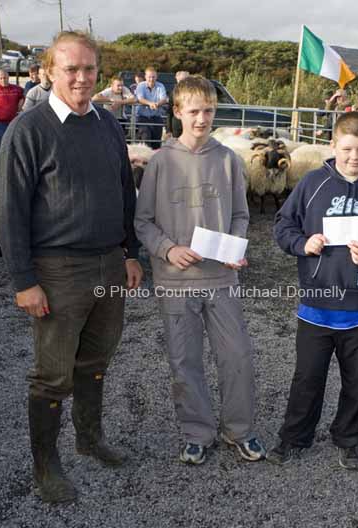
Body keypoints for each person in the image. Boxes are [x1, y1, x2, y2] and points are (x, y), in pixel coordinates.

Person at [0, 31, 143, 504]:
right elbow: (10, 211)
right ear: (49, 72)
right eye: (70, 69)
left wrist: (131, 251)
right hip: (57, 270)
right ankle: (46, 466)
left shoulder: (107, 124)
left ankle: (89, 438)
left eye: (89, 68)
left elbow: (125, 192)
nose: (81, 77)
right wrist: (24, 281)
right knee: (52, 373)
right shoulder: (29, 129)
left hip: (108, 264)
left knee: (96, 358)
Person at [267, 112, 358, 469]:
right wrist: (303, 243)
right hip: (317, 303)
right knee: (307, 377)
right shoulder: (312, 182)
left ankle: (348, 437)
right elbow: (283, 224)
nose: (354, 156)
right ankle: (295, 437)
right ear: (333, 145)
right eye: (347, 148)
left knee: (356, 380)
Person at [134, 75, 266, 466]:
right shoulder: (160, 162)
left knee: (237, 355)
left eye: (208, 111)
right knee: (184, 360)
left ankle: (239, 430)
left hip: (222, 278)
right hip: (175, 282)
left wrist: (235, 247)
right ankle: (197, 432)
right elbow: (142, 222)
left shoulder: (228, 160)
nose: (201, 119)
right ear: (177, 112)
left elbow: (241, 216)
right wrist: (167, 249)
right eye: (193, 111)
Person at [135, 67, 168, 149]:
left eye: (153, 77)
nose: (151, 79)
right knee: (145, 140)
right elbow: (140, 99)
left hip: (156, 117)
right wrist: (150, 103)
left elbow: (164, 99)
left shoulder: (160, 86)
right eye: (149, 77)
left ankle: (155, 161)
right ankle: (146, 161)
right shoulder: (140, 86)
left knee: (156, 143)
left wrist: (157, 104)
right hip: (143, 118)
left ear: (156, 77)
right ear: (145, 77)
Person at [166, 70, 190, 138]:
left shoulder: (192, 93)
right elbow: (169, 112)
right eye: (180, 80)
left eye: (185, 80)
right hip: (177, 126)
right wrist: (168, 130)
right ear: (177, 79)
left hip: (189, 125)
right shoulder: (173, 93)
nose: (182, 82)